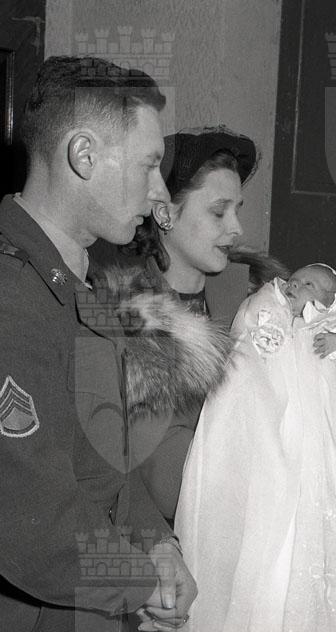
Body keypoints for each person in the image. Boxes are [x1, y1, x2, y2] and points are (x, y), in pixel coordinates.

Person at [0, 55, 197, 632]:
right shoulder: (13, 300)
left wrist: (156, 542)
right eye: (150, 165)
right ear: (83, 155)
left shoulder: (76, 280)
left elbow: (100, 458)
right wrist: (141, 583)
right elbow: (32, 521)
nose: (160, 193)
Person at [175, 263, 336, 631]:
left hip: (325, 423)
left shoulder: (334, 318)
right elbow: (249, 340)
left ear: (329, 298)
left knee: (328, 499)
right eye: (295, 279)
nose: (296, 285)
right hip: (280, 417)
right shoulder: (271, 307)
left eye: (309, 284)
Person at [100, 127, 258, 521]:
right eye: (219, 211)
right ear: (165, 213)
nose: (237, 228)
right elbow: (170, 485)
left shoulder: (255, 299)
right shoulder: (132, 324)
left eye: (237, 209)